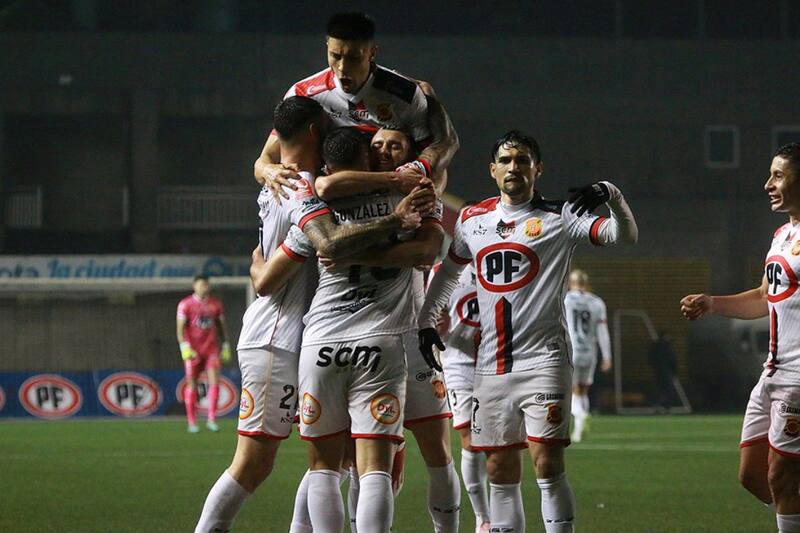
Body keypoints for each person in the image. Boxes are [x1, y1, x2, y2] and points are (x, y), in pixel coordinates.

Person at [193, 98, 429, 533]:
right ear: (317, 134)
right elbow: (287, 266)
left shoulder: (277, 180)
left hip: (307, 337)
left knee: (333, 459)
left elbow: (267, 262)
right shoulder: (302, 186)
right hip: (276, 339)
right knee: (254, 462)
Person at [418, 130, 638, 532]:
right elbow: (448, 272)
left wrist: (612, 194)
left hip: (544, 361)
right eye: (505, 160)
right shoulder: (473, 220)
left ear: (538, 169)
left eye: (522, 160)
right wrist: (426, 320)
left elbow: (623, 235)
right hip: (490, 367)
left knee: (547, 462)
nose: (513, 167)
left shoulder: (562, 216)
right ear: (492, 170)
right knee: (500, 467)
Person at [271, 126, 441, 532]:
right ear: (367, 159)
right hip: (380, 342)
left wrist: (341, 250)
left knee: (324, 467)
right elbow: (426, 251)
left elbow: (316, 245)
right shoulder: (407, 196)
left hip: (322, 342)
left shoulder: (315, 200)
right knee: (375, 468)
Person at [313, 127, 460, 532]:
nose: (383, 151)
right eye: (376, 145)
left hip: (410, 338)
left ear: (410, 151)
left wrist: (350, 249)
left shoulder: (419, 191)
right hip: (372, 338)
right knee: (360, 461)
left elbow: (427, 251)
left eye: (394, 144)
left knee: (438, 454)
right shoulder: (348, 190)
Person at [680, 143, 800, 533]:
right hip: (771, 374)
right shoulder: (783, 235)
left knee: (783, 478)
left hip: (798, 379)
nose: (768, 183)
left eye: (778, 175)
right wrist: (712, 303)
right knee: (752, 476)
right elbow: (765, 296)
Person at [254, 12, 458, 197]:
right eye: (335, 56)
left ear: (371, 53)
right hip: (329, 202)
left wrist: (431, 195)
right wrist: (267, 170)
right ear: (327, 48)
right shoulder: (303, 94)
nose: (342, 67)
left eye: (354, 58)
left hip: (389, 201)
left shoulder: (404, 95)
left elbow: (437, 155)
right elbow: (265, 159)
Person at [439, 262, 490, 532]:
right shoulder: (442, 272)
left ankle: (500, 515)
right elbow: (427, 318)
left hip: (498, 361)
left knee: (497, 444)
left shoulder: (499, 262)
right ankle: (483, 518)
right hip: (459, 362)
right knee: (469, 439)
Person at [176, 275, 230, 433]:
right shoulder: (185, 304)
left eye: (205, 285)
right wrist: (184, 347)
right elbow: (180, 329)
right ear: (194, 286)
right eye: (200, 285)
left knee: (215, 382)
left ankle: (212, 419)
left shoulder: (215, 304)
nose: (203, 288)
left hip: (211, 350)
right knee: (192, 383)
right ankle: (192, 422)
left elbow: (221, 326)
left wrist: (225, 345)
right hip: (193, 352)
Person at [563, 269, 612, 442]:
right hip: (589, 352)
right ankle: (579, 430)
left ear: (570, 283)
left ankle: (580, 415)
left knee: (571, 391)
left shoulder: (566, 299)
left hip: (571, 350)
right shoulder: (597, 302)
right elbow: (602, 331)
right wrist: (607, 356)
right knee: (583, 390)